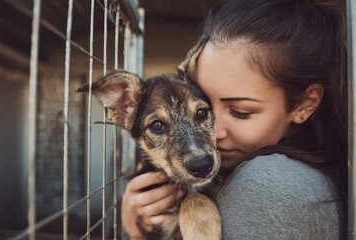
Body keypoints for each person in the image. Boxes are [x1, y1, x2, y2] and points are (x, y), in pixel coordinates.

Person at [121, 0, 348, 239]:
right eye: (205, 107)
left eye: (240, 111)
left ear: (305, 104)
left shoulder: (270, 182)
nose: (212, 133)